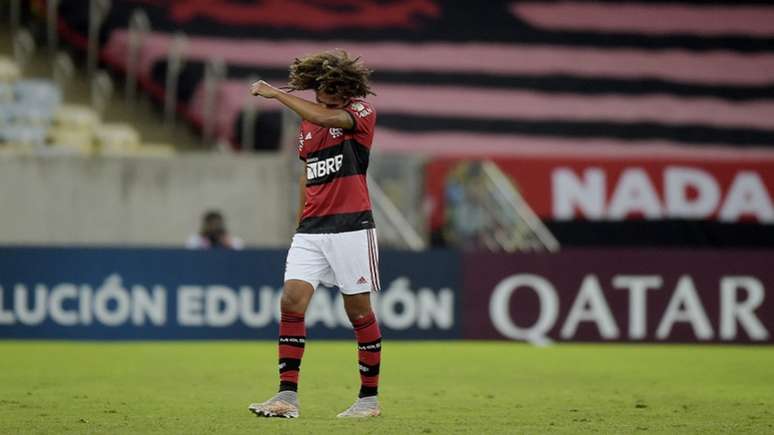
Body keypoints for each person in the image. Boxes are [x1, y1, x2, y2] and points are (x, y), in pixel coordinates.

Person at [247, 50, 382, 419]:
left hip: (352, 227)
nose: (323, 101)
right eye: (320, 94)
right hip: (311, 229)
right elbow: (308, 178)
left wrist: (277, 94)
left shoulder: (361, 113)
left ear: (346, 92)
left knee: (358, 312)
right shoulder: (307, 128)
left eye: (331, 96)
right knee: (291, 301)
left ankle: (369, 399)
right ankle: (286, 398)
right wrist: (299, 224)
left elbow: (324, 115)